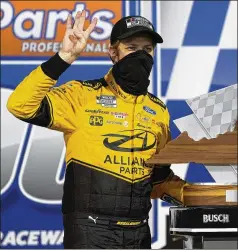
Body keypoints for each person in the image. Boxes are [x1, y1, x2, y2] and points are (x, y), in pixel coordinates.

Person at [7, 11, 188, 249]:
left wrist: (212, 196)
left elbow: (159, 179)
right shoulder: (81, 95)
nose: (141, 56)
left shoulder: (158, 110)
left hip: (139, 232)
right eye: (132, 48)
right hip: (91, 231)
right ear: (113, 52)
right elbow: (19, 105)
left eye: (148, 50)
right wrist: (64, 58)